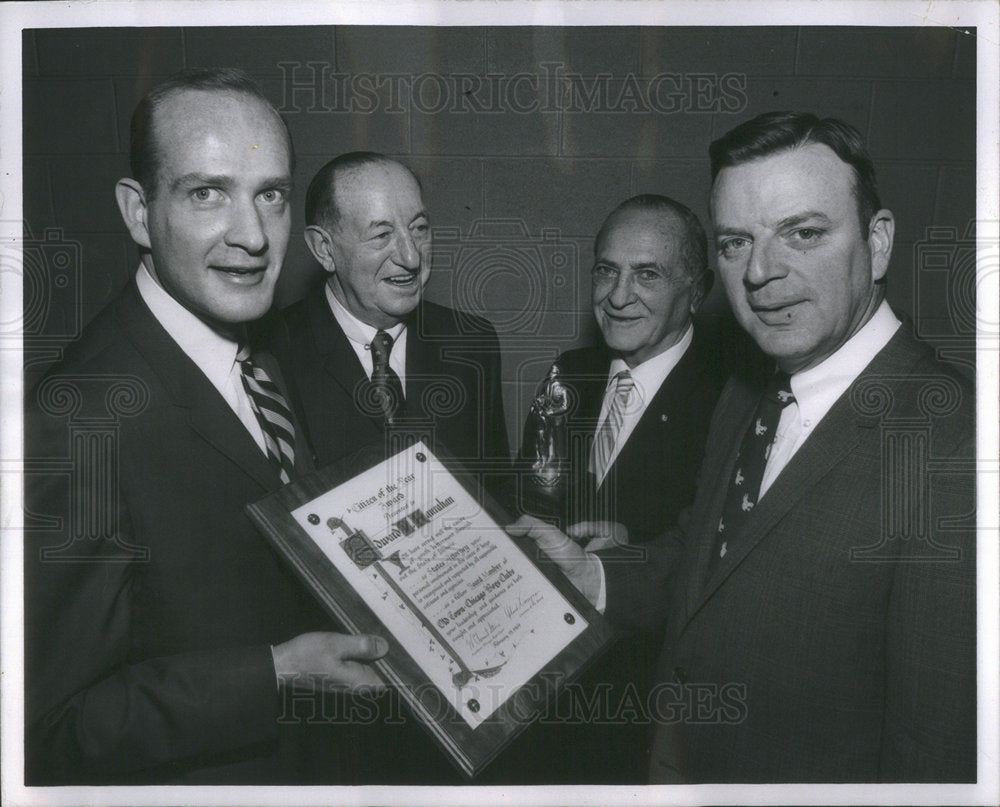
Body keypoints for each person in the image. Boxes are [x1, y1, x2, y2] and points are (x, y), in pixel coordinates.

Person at [510, 111, 976, 782]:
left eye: (804, 233)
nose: (761, 272)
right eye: (735, 242)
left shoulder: (953, 441)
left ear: (877, 243)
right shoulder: (750, 393)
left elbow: (934, 753)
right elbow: (701, 560)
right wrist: (593, 575)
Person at [24, 68, 388, 785]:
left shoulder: (265, 349)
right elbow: (54, 728)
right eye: (207, 193)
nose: (252, 236)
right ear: (137, 212)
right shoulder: (78, 418)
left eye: (271, 195)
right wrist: (275, 672)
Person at [509, 195, 737, 784]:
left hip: (644, 707)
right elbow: (528, 499)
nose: (617, 295)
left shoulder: (732, 401)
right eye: (607, 270)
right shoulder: (571, 372)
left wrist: (630, 542)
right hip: (542, 692)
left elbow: (725, 560)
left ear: (698, 290)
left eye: (648, 274)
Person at [263, 152, 510, 481]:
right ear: (324, 248)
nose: (411, 257)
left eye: (419, 229)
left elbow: (495, 492)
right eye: (381, 235)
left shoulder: (470, 341)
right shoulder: (272, 354)